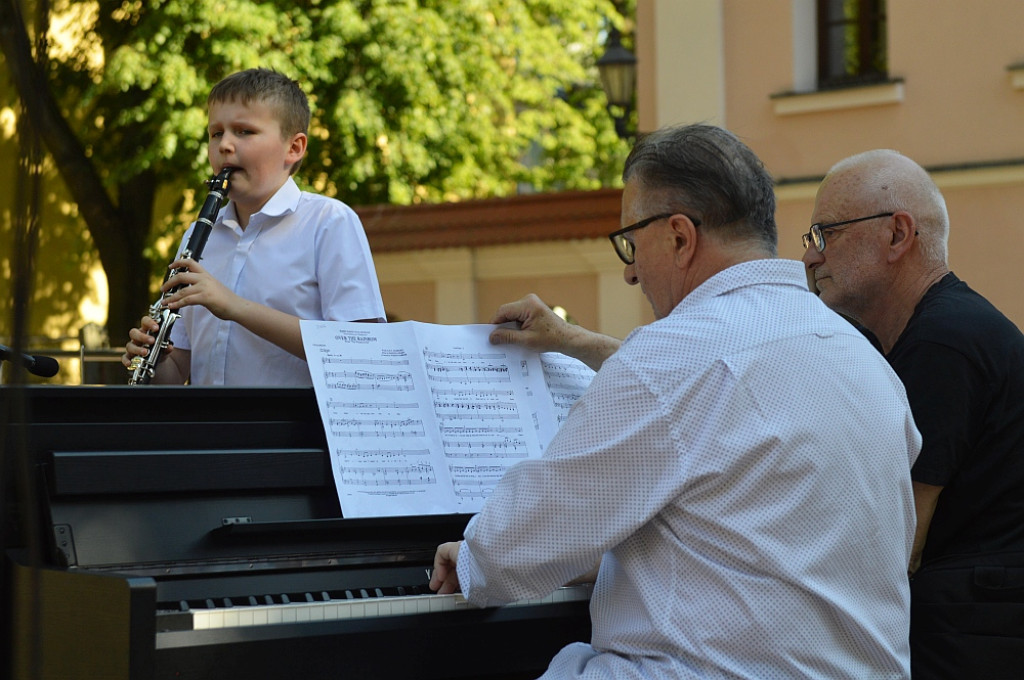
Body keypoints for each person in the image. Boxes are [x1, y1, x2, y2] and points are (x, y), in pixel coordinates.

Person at [429, 123, 921, 678]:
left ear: (681, 237)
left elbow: (525, 539)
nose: (630, 271)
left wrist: (469, 559)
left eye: (631, 242)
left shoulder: (670, 355)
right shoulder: (867, 363)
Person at [802, 149, 1024, 677]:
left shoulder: (943, 342)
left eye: (824, 234)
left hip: (970, 639)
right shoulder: (942, 329)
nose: (811, 259)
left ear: (898, 235)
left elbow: (898, 541)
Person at [122, 68, 385, 385]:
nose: (225, 146)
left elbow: (364, 352)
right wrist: (156, 358)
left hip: (294, 431)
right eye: (216, 133)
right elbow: (178, 374)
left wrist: (235, 307)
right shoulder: (197, 236)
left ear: (294, 148)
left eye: (244, 132)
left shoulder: (329, 223)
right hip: (209, 431)